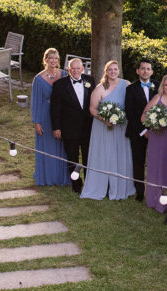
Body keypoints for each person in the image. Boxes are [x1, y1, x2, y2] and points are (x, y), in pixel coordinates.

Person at [81, 60, 135, 200]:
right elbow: (92, 109)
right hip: (104, 128)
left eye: (115, 69)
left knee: (120, 155)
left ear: (119, 70)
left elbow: (132, 103)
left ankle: (121, 186)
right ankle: (103, 185)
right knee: (105, 155)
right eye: (110, 69)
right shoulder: (100, 88)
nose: (113, 72)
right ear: (106, 71)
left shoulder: (126, 84)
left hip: (121, 127)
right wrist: (104, 119)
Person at [50, 56, 95, 193]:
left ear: (82, 69)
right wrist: (56, 127)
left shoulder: (90, 80)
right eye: (72, 69)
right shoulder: (59, 85)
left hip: (88, 127)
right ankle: (76, 185)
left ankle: (89, 183)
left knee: (89, 156)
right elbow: (55, 108)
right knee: (72, 158)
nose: (75, 71)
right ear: (68, 69)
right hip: (69, 127)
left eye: (78, 68)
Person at [141, 74, 167, 213]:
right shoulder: (157, 98)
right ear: (162, 86)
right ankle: (154, 199)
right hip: (157, 138)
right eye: (166, 85)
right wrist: (153, 123)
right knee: (155, 167)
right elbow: (143, 117)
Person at [31, 48, 70, 186]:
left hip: (61, 115)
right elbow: (35, 101)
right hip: (45, 116)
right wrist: (37, 122)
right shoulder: (38, 79)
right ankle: (47, 177)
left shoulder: (65, 74)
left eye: (56, 58)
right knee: (47, 146)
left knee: (61, 146)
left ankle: (61, 177)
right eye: (50, 58)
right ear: (45, 60)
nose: (53, 61)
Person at [124, 59, 157, 202]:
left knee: (155, 163)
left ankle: (154, 191)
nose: (145, 71)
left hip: (157, 133)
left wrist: (154, 130)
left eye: (148, 68)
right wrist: (144, 132)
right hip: (137, 133)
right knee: (138, 163)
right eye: (142, 68)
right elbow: (130, 113)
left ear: (152, 71)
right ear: (137, 71)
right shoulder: (130, 89)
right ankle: (139, 192)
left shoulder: (158, 87)